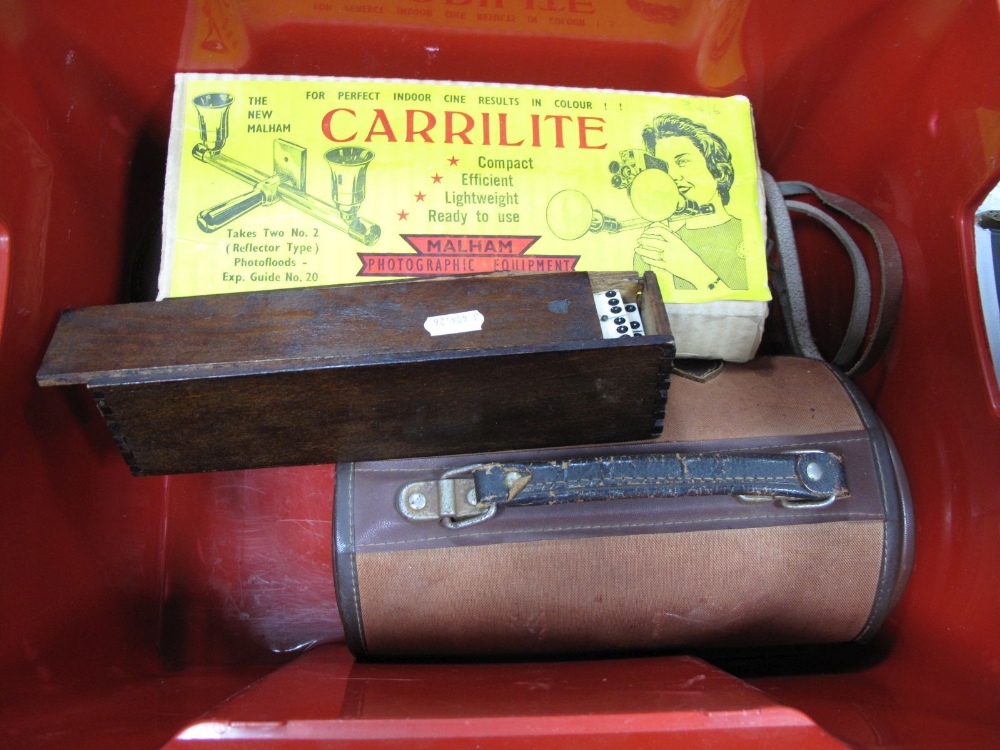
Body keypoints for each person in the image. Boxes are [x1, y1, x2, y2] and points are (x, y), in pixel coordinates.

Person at [633, 114, 748, 293]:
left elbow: (746, 313)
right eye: (663, 167)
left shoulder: (745, 235)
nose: (673, 176)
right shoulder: (653, 247)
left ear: (717, 170)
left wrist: (695, 271)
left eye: (683, 162)